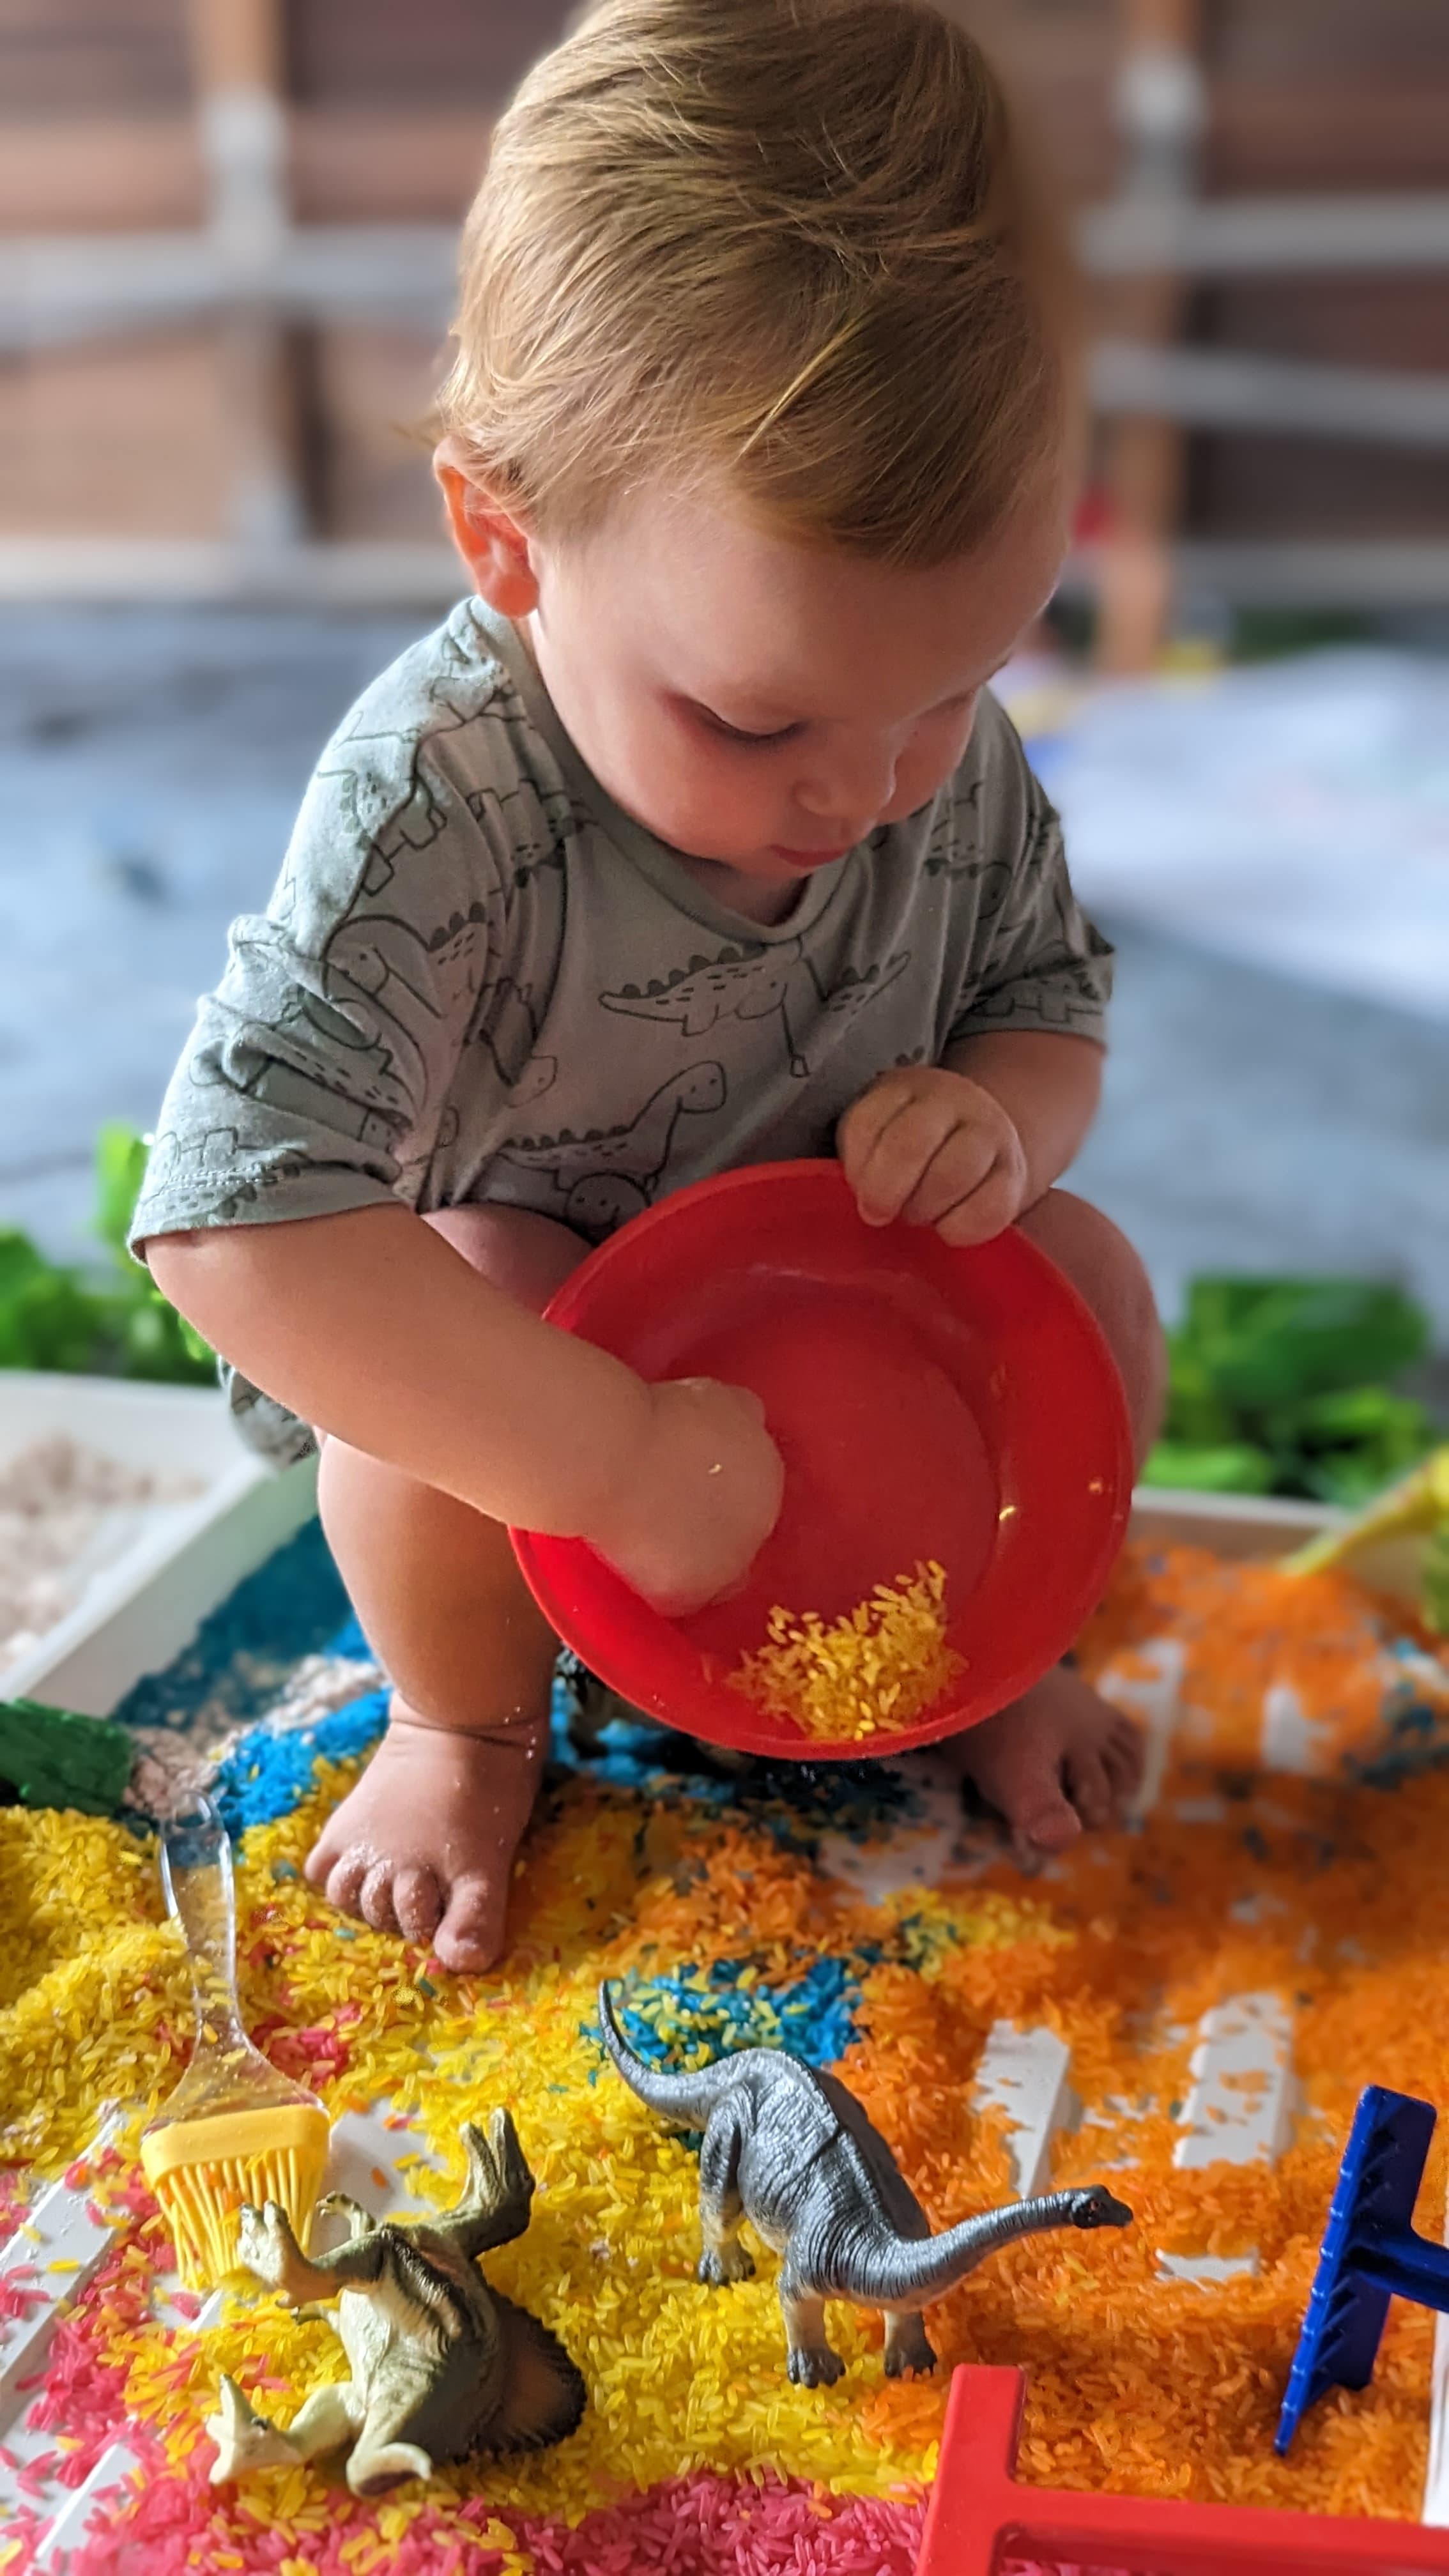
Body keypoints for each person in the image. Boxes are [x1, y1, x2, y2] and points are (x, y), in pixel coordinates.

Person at [135, 0, 1163, 1974]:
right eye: (756, 715)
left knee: (1089, 1277)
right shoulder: (433, 793)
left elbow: (1043, 997)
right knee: (462, 1292)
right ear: (502, 539)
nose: (866, 790)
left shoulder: (895, 735)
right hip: (556, 1348)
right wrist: (601, 1455)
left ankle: (987, 1662)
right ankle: (464, 1726)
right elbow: (230, 1221)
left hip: (847, 1306)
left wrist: (999, 1120)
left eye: (959, 685)